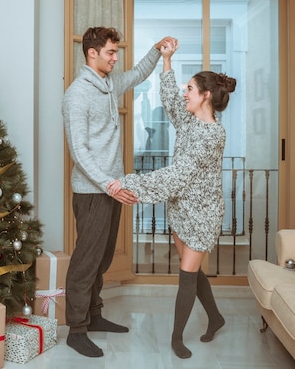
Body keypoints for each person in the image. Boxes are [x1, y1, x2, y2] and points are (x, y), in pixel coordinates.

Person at [107, 39, 237, 359]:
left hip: (202, 213)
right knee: (190, 269)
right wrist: (166, 60)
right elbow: (170, 101)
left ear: (205, 95)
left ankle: (176, 338)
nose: (184, 92)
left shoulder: (212, 134)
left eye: (190, 88)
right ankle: (216, 317)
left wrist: (131, 186)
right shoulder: (191, 120)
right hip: (181, 207)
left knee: (187, 275)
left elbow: (178, 176)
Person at [62, 26, 175, 358]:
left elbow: (139, 73)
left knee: (104, 256)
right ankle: (76, 329)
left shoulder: (109, 84)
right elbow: (79, 151)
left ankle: (94, 316)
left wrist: (156, 50)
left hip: (113, 188)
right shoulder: (77, 94)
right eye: (110, 52)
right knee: (86, 260)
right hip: (93, 190)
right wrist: (109, 183)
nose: (115, 58)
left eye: (116, 52)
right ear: (92, 53)